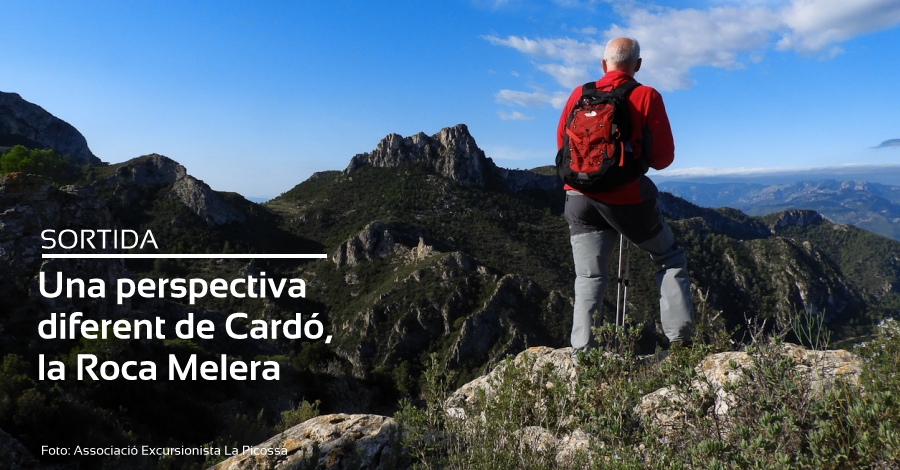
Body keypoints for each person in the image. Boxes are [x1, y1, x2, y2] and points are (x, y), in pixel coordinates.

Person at [558, 37, 694, 360]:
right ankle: (681, 347)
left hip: (577, 196)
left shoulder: (579, 95)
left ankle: (583, 354)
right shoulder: (646, 96)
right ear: (638, 65)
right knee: (669, 258)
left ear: (604, 65)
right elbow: (663, 158)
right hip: (626, 198)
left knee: (589, 275)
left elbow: (562, 147)